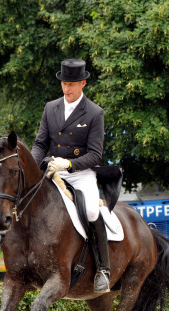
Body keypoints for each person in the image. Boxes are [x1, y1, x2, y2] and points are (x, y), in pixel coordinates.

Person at [31, 58, 110, 293]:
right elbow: (39, 143)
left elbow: (95, 154)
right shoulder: (50, 107)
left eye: (72, 84)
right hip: (53, 172)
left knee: (92, 210)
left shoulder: (95, 113)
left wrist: (69, 163)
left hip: (80, 173)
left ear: (83, 83)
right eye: (64, 84)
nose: (67, 89)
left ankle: (103, 270)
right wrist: (35, 168)